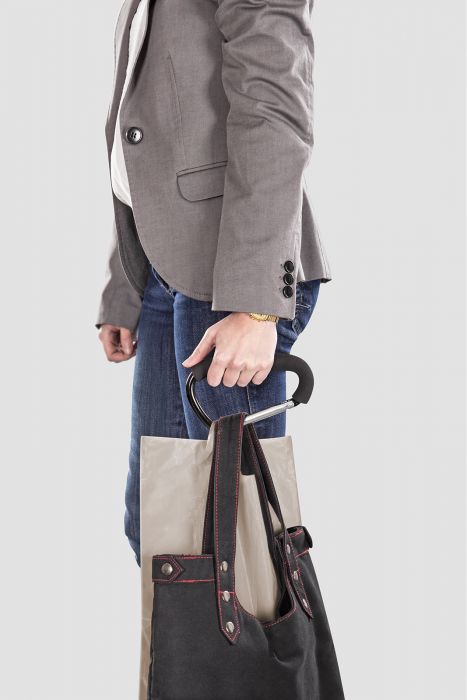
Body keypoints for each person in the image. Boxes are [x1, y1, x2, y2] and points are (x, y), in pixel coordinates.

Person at [96, 0, 331, 567]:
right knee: (160, 529)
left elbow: (274, 106)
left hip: (232, 277)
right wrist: (126, 283)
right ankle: (177, 638)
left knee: (241, 545)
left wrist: (255, 307)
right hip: (165, 272)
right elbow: (145, 126)